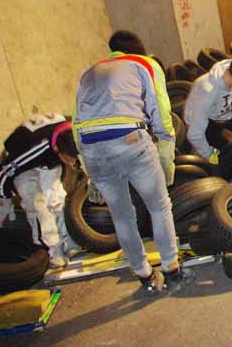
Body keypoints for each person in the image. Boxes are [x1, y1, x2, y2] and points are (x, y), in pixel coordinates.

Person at [73, 30, 186, 295]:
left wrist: (89, 170)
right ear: (140, 49)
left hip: (92, 147)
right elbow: (160, 107)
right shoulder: (144, 63)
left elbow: (77, 122)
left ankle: (145, 275)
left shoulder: (89, 72)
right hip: (128, 139)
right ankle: (172, 269)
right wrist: (166, 152)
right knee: (159, 206)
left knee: (122, 215)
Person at [0, 114, 82, 268]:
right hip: (21, 165)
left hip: (47, 159)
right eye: (68, 159)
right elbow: (4, 172)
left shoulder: (75, 135)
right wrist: (4, 204)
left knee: (58, 200)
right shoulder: (35, 149)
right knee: (38, 205)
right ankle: (52, 252)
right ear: (56, 149)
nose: (71, 163)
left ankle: (70, 244)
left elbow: (84, 158)